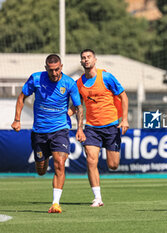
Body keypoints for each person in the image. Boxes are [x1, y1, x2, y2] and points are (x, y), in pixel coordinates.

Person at [11, 54, 85, 213]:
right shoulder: (36, 79)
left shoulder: (69, 83)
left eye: (57, 69)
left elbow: (78, 106)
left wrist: (79, 128)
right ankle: (44, 161)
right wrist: (17, 119)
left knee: (59, 163)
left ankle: (55, 203)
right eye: (51, 70)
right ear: (46, 69)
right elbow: (22, 96)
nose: (54, 73)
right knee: (41, 170)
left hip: (60, 129)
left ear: (61, 67)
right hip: (39, 131)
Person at [69, 49, 129, 207]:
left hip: (111, 126)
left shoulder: (106, 77)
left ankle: (99, 193)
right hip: (91, 128)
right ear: (81, 62)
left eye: (89, 57)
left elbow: (123, 96)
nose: (86, 60)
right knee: (91, 160)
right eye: (83, 58)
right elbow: (76, 107)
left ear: (95, 60)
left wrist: (125, 120)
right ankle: (97, 198)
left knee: (113, 165)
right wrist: (65, 117)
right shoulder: (79, 84)